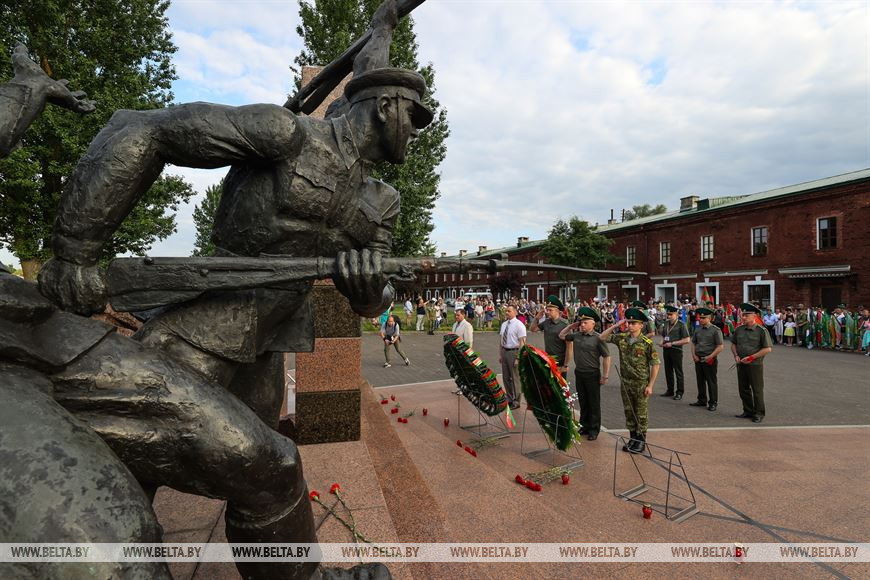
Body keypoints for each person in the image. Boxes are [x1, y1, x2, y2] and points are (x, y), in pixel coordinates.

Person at [34, 1, 428, 576]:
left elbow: (378, 297)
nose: (416, 131)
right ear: (386, 106)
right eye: (415, 117)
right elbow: (142, 128)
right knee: (126, 465)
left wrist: (368, 291)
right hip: (203, 330)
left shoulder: (381, 201)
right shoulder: (286, 134)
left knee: (264, 480)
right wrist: (75, 250)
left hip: (267, 348)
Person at [599, 308, 660, 453]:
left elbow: (655, 364)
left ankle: (641, 441)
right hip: (626, 382)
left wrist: (650, 385)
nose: (630, 325)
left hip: (640, 383)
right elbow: (602, 337)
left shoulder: (646, 343)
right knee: (629, 411)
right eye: (629, 322)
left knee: (641, 413)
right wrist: (615, 325)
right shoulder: (622, 338)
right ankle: (633, 438)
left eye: (634, 323)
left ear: (641, 325)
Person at [559, 306, 611, 441]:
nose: (582, 325)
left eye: (585, 322)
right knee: (583, 401)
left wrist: (605, 375)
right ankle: (584, 426)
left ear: (593, 324)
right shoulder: (576, 335)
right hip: (579, 373)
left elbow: (607, 357)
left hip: (592, 374)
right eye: (581, 322)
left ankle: (594, 429)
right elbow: (561, 336)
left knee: (593, 403)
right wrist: (571, 326)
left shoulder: (598, 338)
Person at [731, 303, 773, 423]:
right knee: (743, 389)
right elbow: (733, 344)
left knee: (757, 389)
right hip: (741, 363)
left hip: (754, 365)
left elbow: (767, 349)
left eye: (746, 315)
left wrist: (751, 357)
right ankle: (748, 410)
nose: (743, 317)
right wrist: (736, 355)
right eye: (743, 315)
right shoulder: (739, 329)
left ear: (754, 316)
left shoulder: (761, 330)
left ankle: (759, 413)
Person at [689, 307, 724, 411]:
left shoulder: (715, 330)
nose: (701, 319)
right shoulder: (698, 329)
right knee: (700, 380)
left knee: (711, 381)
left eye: (703, 318)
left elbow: (720, 346)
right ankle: (701, 400)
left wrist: (710, 356)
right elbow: (693, 343)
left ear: (709, 318)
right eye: (700, 318)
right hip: (698, 358)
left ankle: (713, 402)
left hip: (709, 359)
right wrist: (694, 355)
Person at [530, 295, 570, 379]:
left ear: (557, 311)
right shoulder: (546, 322)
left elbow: (569, 347)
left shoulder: (565, 325)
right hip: (548, 360)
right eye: (547, 310)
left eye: (550, 310)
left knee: (560, 385)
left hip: (560, 362)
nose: (547, 312)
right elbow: (533, 329)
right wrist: (536, 318)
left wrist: (566, 365)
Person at [499, 305, 527, 410]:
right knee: (506, 378)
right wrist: (500, 354)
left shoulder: (519, 325)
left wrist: (518, 358)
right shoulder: (504, 324)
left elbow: (522, 343)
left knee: (515, 378)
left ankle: (517, 401)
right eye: (506, 311)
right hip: (504, 351)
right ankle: (510, 399)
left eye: (509, 311)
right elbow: (501, 340)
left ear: (515, 312)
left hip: (514, 352)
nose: (506, 312)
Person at [659, 305, 690, 400]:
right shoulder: (666, 323)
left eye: (671, 314)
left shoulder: (681, 325)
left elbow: (687, 340)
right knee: (668, 371)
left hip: (676, 350)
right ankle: (670, 390)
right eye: (668, 314)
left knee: (678, 372)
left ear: (676, 314)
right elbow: (664, 336)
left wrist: (672, 343)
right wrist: (662, 342)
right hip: (666, 350)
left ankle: (680, 392)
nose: (669, 316)